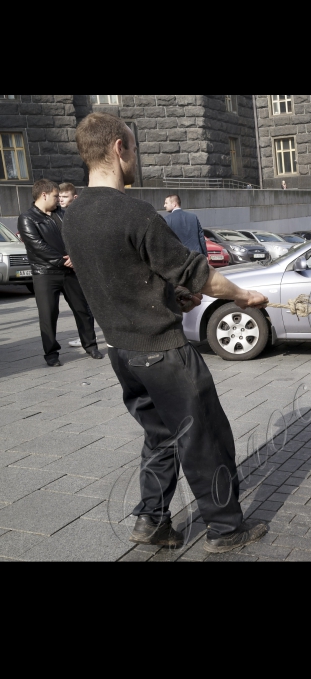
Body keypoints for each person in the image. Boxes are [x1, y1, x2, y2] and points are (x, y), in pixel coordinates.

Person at [63, 112, 269, 553]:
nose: (136, 157)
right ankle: (226, 529)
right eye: (133, 148)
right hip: (165, 354)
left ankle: (151, 522)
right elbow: (200, 274)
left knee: (160, 438)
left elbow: (118, 277)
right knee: (204, 438)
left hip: (123, 352)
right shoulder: (134, 212)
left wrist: (173, 298)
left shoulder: (73, 214)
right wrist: (242, 296)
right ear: (119, 148)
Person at [18, 180, 102, 367]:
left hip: (70, 272)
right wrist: (66, 260)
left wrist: (75, 256)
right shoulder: (27, 218)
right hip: (45, 273)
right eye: (56, 196)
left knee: (83, 310)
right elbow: (38, 247)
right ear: (44, 195)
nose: (59, 200)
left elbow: (78, 238)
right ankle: (51, 354)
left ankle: (91, 345)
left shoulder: (64, 215)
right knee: (48, 315)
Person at [59, 183, 88, 348]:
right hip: (74, 265)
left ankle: (86, 337)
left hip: (83, 266)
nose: (61, 200)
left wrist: (75, 257)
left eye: (65, 197)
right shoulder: (62, 214)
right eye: (60, 197)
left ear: (74, 197)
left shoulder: (78, 215)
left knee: (86, 305)